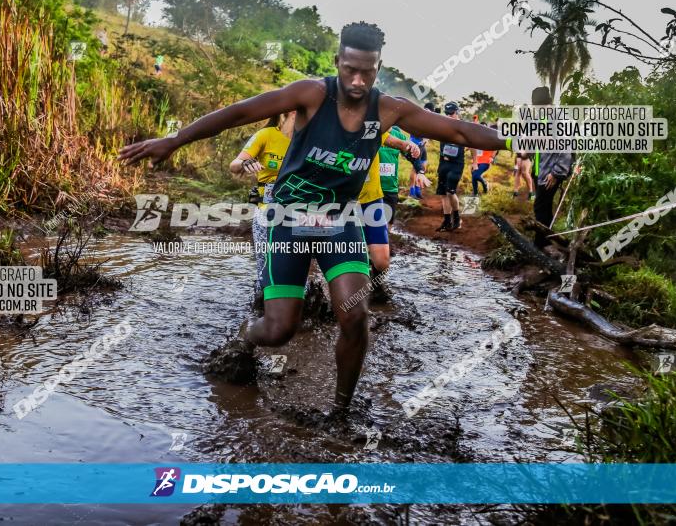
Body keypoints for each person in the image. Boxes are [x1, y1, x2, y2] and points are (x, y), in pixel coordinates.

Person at [119, 22, 507, 413]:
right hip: (287, 221)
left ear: (377, 68)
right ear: (337, 61)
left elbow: (458, 131)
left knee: (355, 315)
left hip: (339, 223)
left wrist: (520, 135)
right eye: (349, 69)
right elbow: (240, 112)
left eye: (367, 72)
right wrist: (175, 140)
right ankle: (244, 337)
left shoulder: (389, 109)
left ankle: (340, 412)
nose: (357, 80)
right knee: (279, 329)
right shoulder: (311, 94)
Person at [229, 112, 296, 305]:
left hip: (297, 210)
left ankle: (295, 306)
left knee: (293, 261)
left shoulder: (307, 140)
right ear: (290, 112)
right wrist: (245, 162)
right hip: (267, 210)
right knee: (265, 261)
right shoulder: (266, 135)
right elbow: (234, 165)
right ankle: (262, 305)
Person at [357, 126, 420, 302]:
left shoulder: (386, 131)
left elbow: (403, 147)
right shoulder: (362, 127)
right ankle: (358, 289)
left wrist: (411, 150)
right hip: (354, 198)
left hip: (381, 194)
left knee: (383, 254)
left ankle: (376, 286)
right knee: (358, 247)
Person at [529, 86, 574, 247]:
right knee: (542, 207)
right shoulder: (542, 118)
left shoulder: (559, 119)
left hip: (551, 172)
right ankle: (543, 242)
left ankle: (540, 245)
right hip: (539, 170)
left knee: (541, 207)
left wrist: (557, 173)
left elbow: (566, 146)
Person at [436, 101, 466, 232]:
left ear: (457, 112)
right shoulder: (443, 124)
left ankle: (457, 218)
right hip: (443, 162)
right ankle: (447, 221)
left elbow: (473, 144)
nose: (448, 115)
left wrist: (475, 162)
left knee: (450, 191)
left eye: (451, 113)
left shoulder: (464, 126)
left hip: (456, 164)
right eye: (446, 113)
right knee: (443, 193)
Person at [408, 103, 434, 199]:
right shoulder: (416, 118)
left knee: (423, 167)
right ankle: (412, 191)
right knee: (415, 169)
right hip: (415, 145)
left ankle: (418, 189)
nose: (428, 113)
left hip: (423, 147)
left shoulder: (429, 120)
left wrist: (426, 139)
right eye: (426, 111)